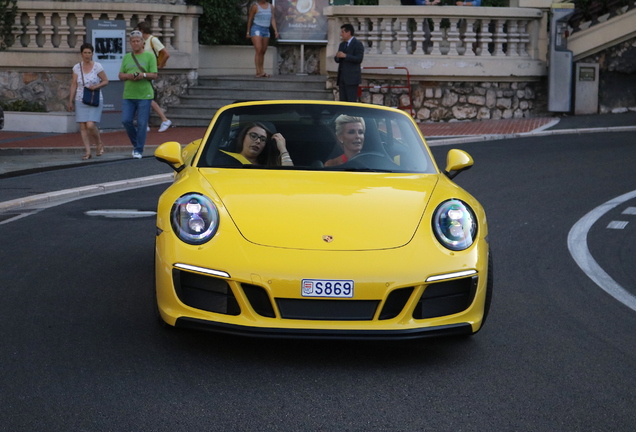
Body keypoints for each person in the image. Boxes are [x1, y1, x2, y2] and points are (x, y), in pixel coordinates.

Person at [118, 30, 158, 159]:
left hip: (144, 95)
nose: (135, 43)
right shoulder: (127, 57)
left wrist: (143, 75)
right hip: (129, 94)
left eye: (138, 41)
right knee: (126, 120)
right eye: (133, 41)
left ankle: (139, 150)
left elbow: (154, 74)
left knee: (141, 123)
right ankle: (137, 144)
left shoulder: (149, 56)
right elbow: (121, 75)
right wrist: (129, 76)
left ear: (143, 43)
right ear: (130, 43)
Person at [68, 42, 109, 160]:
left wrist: (96, 86)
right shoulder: (76, 67)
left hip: (94, 98)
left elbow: (106, 81)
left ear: (92, 54)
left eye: (89, 53)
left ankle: (99, 143)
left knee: (90, 125)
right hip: (80, 99)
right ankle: (87, 152)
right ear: (81, 54)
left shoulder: (97, 66)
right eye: (85, 53)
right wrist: (70, 101)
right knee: (83, 126)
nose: (87, 55)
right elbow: (74, 84)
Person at [135, 21, 172, 132]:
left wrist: (159, 66)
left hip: (149, 73)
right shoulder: (145, 42)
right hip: (145, 73)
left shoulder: (153, 40)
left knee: (147, 98)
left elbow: (166, 53)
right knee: (145, 98)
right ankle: (146, 123)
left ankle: (163, 120)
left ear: (141, 31)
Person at [224, 123, 293, 166]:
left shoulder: (267, 167)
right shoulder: (224, 159)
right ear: (243, 137)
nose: (258, 141)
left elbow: (290, 176)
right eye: (253, 136)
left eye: (263, 139)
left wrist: (282, 149)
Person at [247, 0, 279, 78]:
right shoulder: (255, 6)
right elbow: (250, 19)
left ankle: (262, 71)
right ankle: (258, 72)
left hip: (266, 29)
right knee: (258, 49)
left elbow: (272, 18)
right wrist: (248, 32)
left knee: (263, 51)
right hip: (257, 28)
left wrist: (275, 30)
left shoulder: (270, 7)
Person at [335, 23, 364, 102]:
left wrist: (346, 56)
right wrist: (337, 56)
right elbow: (337, 60)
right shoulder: (342, 45)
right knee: (343, 101)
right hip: (342, 78)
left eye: (343, 32)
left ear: (348, 32)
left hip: (352, 79)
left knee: (351, 101)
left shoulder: (357, 44)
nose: (341, 34)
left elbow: (359, 59)